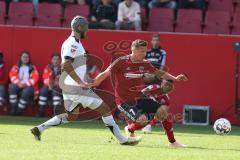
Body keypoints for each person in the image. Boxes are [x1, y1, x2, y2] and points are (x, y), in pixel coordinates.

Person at [30, 16, 140, 145]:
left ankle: (40, 128)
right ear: (80, 27)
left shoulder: (74, 42)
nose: (87, 31)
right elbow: (65, 64)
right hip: (75, 88)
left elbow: (72, 66)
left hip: (69, 87)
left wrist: (83, 79)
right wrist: (80, 82)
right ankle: (123, 140)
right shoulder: (72, 43)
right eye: (86, 28)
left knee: (71, 116)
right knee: (105, 109)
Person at [90, 39, 188, 146]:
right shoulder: (121, 61)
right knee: (143, 121)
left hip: (140, 97)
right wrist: (91, 84)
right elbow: (104, 74)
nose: (144, 54)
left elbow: (159, 73)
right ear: (133, 49)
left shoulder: (145, 63)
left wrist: (175, 78)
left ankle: (172, 142)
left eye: (145, 51)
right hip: (124, 101)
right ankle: (130, 129)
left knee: (163, 111)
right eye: (142, 51)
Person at [125, 79, 187, 147]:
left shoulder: (166, 99)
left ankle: (172, 142)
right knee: (146, 119)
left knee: (164, 117)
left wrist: (154, 122)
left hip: (146, 113)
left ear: (172, 88)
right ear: (162, 83)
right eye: (166, 84)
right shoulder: (154, 87)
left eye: (170, 86)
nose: (167, 87)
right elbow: (139, 96)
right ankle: (130, 128)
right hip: (135, 106)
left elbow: (159, 114)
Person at [141, 33, 167, 132]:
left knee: (161, 102)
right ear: (151, 42)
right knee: (148, 102)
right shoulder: (147, 52)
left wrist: (155, 76)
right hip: (146, 80)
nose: (155, 42)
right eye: (154, 40)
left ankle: (150, 125)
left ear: (159, 42)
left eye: (157, 40)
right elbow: (143, 64)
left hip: (157, 80)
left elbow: (162, 66)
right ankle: (144, 124)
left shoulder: (162, 52)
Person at [9, 51, 39, 115]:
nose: (25, 58)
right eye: (24, 57)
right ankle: (13, 109)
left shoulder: (32, 67)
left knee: (26, 91)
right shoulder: (16, 66)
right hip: (18, 84)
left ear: (29, 58)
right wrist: (18, 83)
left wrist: (25, 84)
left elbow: (35, 78)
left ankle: (19, 110)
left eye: (27, 57)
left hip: (29, 86)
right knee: (12, 88)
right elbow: (12, 75)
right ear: (21, 58)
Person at [36, 53, 62, 117]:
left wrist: (54, 85)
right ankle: (41, 111)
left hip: (59, 88)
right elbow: (45, 78)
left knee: (55, 92)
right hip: (48, 86)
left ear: (60, 60)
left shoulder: (63, 68)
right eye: (54, 59)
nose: (56, 61)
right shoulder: (48, 68)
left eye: (57, 59)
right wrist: (50, 85)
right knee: (43, 91)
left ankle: (56, 113)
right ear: (51, 60)